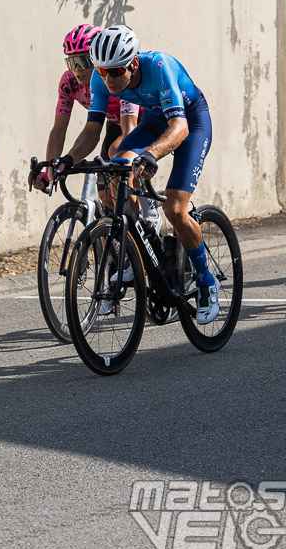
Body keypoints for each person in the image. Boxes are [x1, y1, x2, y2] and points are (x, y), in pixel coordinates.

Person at [54, 24, 219, 324]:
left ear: (132, 63)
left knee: (175, 208)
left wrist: (152, 154)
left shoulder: (159, 66)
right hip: (156, 121)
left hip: (190, 121)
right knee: (117, 169)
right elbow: (92, 132)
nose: (108, 79)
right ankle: (144, 240)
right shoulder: (100, 77)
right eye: (103, 72)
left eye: (115, 72)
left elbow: (179, 128)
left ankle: (208, 281)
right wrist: (66, 159)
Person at [31, 24, 155, 222]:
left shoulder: (114, 77)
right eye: (72, 62)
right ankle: (118, 243)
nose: (77, 70)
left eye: (83, 60)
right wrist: (51, 171)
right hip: (114, 124)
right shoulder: (68, 83)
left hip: (142, 121)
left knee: (118, 159)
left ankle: (148, 212)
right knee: (106, 199)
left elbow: (129, 130)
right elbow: (59, 130)